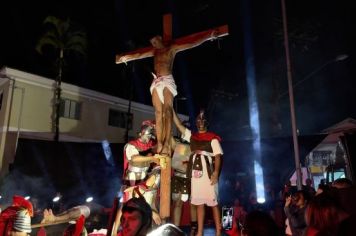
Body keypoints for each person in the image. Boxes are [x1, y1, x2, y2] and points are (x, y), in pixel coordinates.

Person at [117, 30, 219, 156]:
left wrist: (208, 36)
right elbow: (139, 54)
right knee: (158, 113)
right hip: (156, 82)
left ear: (160, 39)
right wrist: (127, 57)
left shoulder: (171, 49)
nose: (153, 43)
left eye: (154, 41)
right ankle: (160, 143)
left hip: (166, 80)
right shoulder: (154, 51)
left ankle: (166, 143)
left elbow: (191, 43)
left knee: (167, 110)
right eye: (152, 42)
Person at [173, 109, 223, 236]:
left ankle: (218, 231)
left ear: (207, 123)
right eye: (198, 120)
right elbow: (179, 126)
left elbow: (218, 157)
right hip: (195, 175)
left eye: (203, 120)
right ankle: (200, 232)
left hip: (208, 174)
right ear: (196, 123)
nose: (201, 122)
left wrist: (216, 173)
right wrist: (171, 109)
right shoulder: (192, 137)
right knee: (199, 204)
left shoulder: (213, 138)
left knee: (213, 203)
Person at [112, 120, 166, 234]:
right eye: (148, 135)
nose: (149, 138)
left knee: (147, 204)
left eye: (151, 135)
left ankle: (146, 230)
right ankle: (115, 231)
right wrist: (152, 158)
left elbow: (161, 146)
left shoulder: (150, 145)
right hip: (132, 179)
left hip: (144, 179)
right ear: (141, 133)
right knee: (125, 206)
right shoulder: (131, 145)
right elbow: (134, 158)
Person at [171, 137, 197, 235]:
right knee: (178, 203)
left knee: (193, 203)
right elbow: (172, 143)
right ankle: (176, 229)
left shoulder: (195, 146)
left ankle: (194, 228)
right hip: (178, 176)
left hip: (192, 178)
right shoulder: (179, 146)